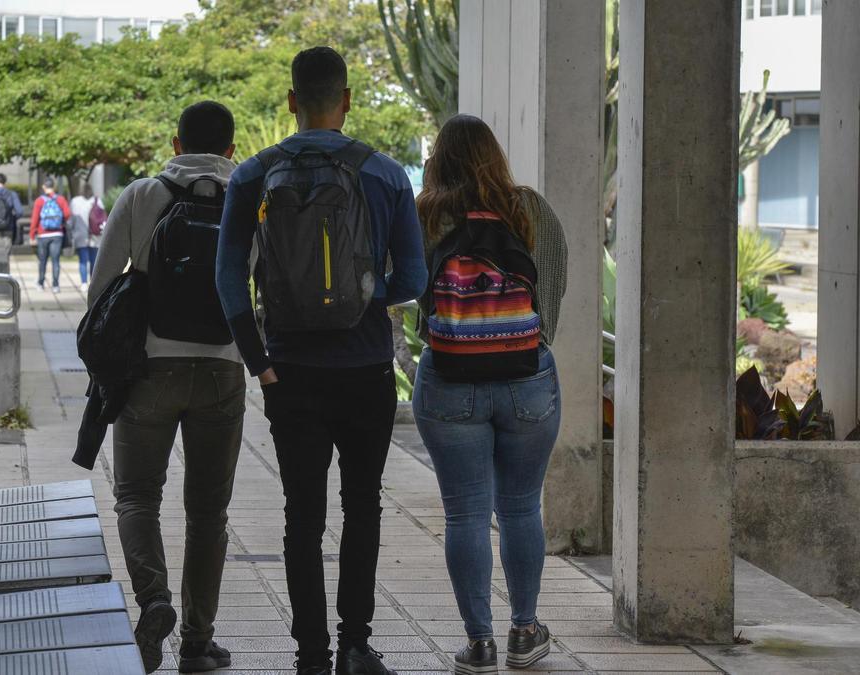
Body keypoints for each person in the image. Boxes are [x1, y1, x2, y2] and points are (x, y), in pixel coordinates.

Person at [216, 47, 427, 675]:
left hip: (291, 373)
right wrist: (367, 294)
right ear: (348, 100)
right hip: (365, 371)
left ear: (290, 101)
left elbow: (228, 280)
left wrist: (260, 363)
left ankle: (311, 654)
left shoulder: (254, 173)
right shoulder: (387, 175)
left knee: (301, 516)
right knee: (362, 504)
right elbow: (414, 276)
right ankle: (356, 647)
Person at [88, 100, 243, 674]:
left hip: (149, 370)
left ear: (175, 145)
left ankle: (154, 600)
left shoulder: (141, 195)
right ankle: (199, 645)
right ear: (231, 149)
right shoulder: (250, 197)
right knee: (208, 513)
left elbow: (101, 289)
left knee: (136, 496)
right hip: (222, 371)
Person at [411, 114, 568, 675]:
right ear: (495, 156)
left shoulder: (425, 213)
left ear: (439, 159)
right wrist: (522, 344)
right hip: (528, 378)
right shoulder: (530, 209)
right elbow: (551, 289)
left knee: (466, 514)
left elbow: (405, 286)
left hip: (450, 381)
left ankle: (478, 645)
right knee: (522, 507)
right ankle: (525, 631)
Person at [29, 178, 71, 291]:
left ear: (44, 187)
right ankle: (55, 285)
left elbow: (35, 219)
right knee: (55, 260)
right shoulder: (61, 199)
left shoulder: (39, 201)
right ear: (54, 186)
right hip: (57, 234)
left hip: (43, 235)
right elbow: (67, 214)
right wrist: (61, 222)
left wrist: (32, 235)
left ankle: (41, 284)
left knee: (42, 260)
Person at [69, 183, 105, 294]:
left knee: (83, 260)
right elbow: (103, 218)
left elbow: (72, 220)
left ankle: (84, 283)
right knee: (94, 261)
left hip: (80, 235)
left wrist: (72, 233)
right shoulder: (97, 201)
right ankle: (93, 282)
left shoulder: (75, 201)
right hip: (95, 236)